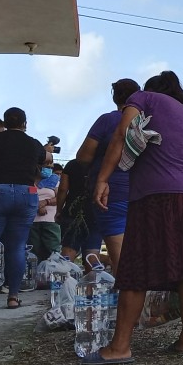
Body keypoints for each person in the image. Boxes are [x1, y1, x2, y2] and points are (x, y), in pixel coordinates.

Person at [84, 70, 183, 365]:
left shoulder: (142, 98)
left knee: (136, 265)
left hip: (157, 195)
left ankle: (120, 347)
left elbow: (121, 135)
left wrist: (103, 179)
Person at [76, 78, 141, 275]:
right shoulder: (146, 123)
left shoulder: (108, 120)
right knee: (140, 250)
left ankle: (127, 299)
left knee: (121, 258)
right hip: (143, 191)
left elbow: (83, 156)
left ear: (115, 97)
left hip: (112, 192)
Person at [0, 108, 46, 308]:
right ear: (25, 124)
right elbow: (45, 160)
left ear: (5, 123)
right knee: (17, 246)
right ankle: (13, 296)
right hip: (27, 193)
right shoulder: (33, 143)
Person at [55, 158, 102, 269]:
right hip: (95, 210)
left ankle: (65, 282)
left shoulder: (72, 164)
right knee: (92, 251)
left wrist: (59, 210)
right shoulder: (102, 164)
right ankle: (91, 285)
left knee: (69, 247)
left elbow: (62, 189)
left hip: (73, 211)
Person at [28, 153, 62, 261]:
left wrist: (46, 202)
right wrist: (37, 205)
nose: (49, 170)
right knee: (33, 252)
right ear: (38, 166)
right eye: (46, 167)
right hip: (32, 221)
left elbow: (60, 198)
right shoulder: (28, 180)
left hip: (50, 221)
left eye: (50, 167)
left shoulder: (54, 180)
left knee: (52, 251)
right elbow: (26, 196)